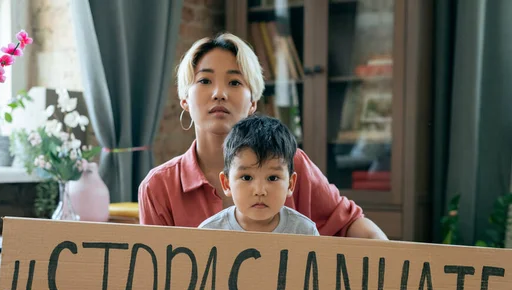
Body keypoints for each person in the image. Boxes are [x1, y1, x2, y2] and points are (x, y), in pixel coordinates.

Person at [138, 32, 388, 239]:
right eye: (204, 81)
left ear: (253, 102)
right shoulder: (158, 187)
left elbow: (353, 226)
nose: (219, 93)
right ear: (184, 99)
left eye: (235, 83)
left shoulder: (292, 161)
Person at [199, 114, 319, 235]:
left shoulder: (305, 232)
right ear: (226, 184)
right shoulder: (208, 233)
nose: (260, 191)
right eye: (246, 177)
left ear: (290, 184)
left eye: (272, 178)